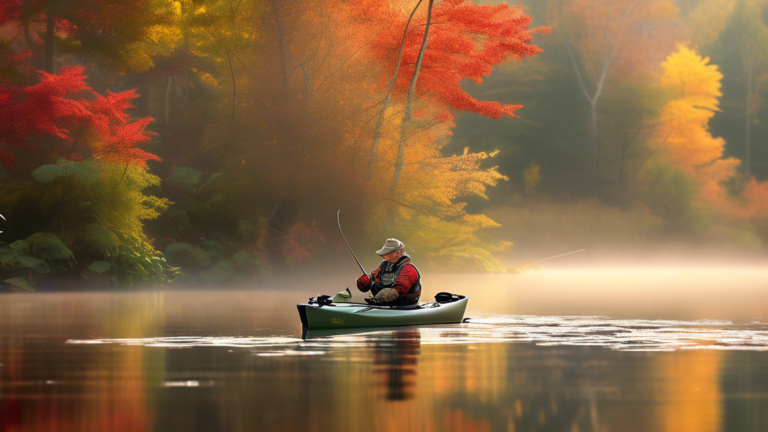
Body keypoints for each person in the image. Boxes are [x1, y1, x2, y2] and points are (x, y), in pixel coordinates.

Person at [356, 238, 421, 306]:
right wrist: (367, 281)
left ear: (398, 252)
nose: (384, 255)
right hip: (385, 305)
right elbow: (374, 276)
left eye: (388, 252)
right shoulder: (384, 265)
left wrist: (378, 299)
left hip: (406, 306)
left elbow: (398, 290)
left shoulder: (408, 268)